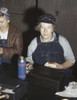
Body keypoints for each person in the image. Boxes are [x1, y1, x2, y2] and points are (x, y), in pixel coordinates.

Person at [26, 13, 75, 79]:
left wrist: (61, 66)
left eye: (48, 27)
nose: (45, 31)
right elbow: (30, 60)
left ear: (53, 28)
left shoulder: (62, 41)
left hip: (60, 75)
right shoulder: (34, 43)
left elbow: (71, 60)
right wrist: (29, 65)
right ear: (39, 28)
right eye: (42, 27)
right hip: (40, 76)